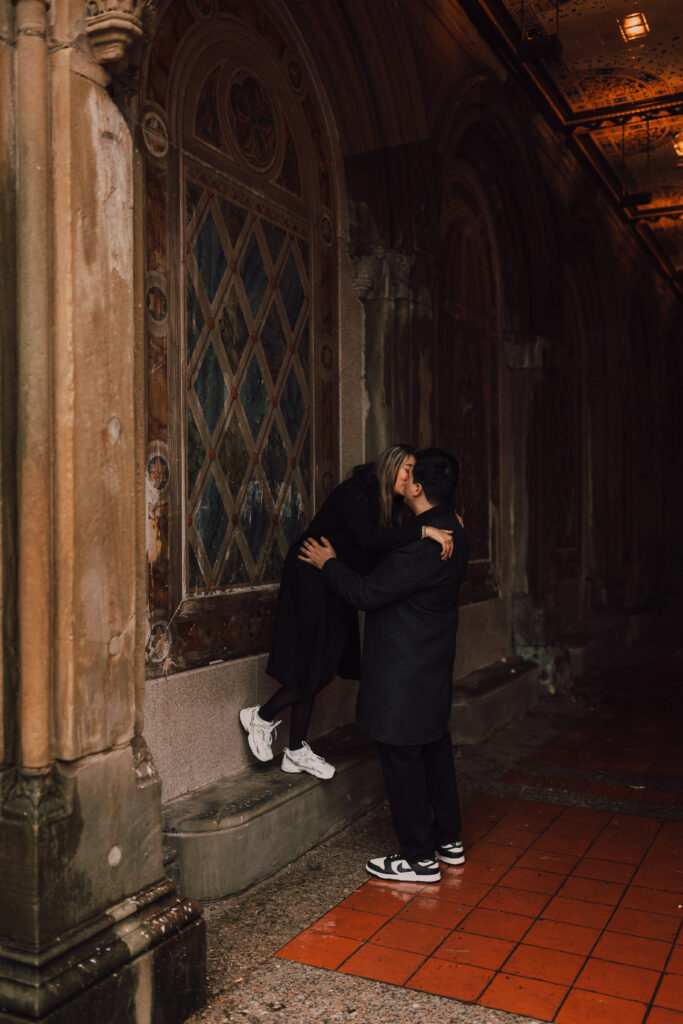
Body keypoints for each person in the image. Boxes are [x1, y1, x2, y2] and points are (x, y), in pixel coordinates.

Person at [299, 447, 468, 883]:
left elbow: (367, 594)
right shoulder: (453, 528)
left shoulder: (423, 548)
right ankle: (448, 840)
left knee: (403, 755)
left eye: (410, 472)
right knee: (434, 746)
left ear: (417, 487)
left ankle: (417, 858)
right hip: (431, 661)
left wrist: (329, 563)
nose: (403, 477)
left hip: (404, 669)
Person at [239, 444, 454, 780]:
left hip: (336, 580)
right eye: (406, 469)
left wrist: (445, 518)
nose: (411, 478)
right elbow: (370, 540)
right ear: (390, 465)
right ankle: (262, 716)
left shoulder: (392, 507)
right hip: (310, 572)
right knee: (313, 663)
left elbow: (385, 547)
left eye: (415, 473)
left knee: (326, 664)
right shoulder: (356, 490)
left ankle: (294, 749)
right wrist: (424, 529)